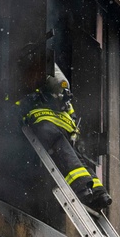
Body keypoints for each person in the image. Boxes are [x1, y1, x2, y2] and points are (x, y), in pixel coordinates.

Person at [17, 65, 113, 212]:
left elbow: (18, 103)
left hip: (47, 125)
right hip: (65, 129)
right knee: (79, 160)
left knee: (66, 154)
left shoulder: (35, 82)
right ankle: (99, 192)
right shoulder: (60, 89)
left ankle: (82, 188)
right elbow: (71, 112)